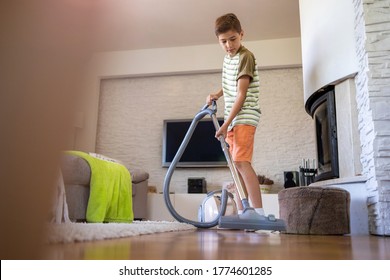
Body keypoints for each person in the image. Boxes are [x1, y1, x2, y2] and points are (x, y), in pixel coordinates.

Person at [206, 13, 264, 216]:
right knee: (235, 166)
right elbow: (230, 85)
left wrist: (224, 124)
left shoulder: (245, 57)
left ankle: (258, 212)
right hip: (233, 119)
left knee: (241, 162)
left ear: (241, 34)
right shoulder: (227, 59)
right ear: (218, 41)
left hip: (245, 115)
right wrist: (217, 94)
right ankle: (243, 214)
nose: (229, 45)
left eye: (233, 39)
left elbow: (241, 94)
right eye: (223, 41)